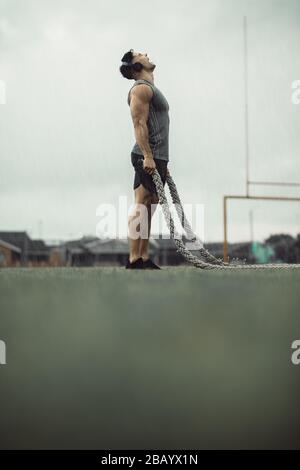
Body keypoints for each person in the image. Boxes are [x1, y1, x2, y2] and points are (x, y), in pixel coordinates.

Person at [119, 49, 170, 269]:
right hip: (145, 155)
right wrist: (148, 156)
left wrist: (162, 162)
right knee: (141, 205)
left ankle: (144, 257)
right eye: (141, 54)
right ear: (136, 67)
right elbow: (138, 124)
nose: (146, 53)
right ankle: (133, 259)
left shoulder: (150, 89)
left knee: (150, 207)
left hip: (157, 156)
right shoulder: (140, 89)